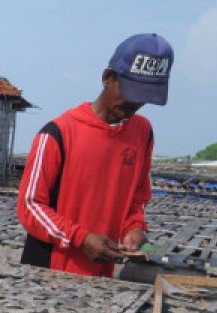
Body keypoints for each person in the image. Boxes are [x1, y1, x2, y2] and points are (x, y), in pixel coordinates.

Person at [16, 33, 173, 277]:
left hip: (102, 274)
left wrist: (134, 228)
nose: (136, 103)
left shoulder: (142, 133)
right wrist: (80, 238)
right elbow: (30, 207)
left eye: (145, 96)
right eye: (132, 92)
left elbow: (137, 198)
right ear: (108, 78)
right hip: (50, 270)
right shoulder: (57, 134)